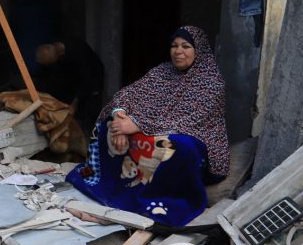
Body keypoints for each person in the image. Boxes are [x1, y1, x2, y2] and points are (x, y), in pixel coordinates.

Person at [65, 26, 229, 226]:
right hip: (150, 127)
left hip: (197, 139)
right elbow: (127, 94)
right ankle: (107, 184)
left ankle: (151, 199)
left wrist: (136, 125)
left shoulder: (212, 82)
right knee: (107, 126)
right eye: (174, 46)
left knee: (177, 146)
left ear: (199, 51)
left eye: (186, 46)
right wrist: (120, 119)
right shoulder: (162, 72)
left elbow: (188, 120)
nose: (178, 51)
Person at [35, 37, 104, 134]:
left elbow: (87, 79)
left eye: (51, 63)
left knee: (91, 108)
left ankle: (91, 133)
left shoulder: (78, 51)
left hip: (93, 76)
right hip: (75, 76)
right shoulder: (55, 50)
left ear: (58, 55)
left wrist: (76, 101)